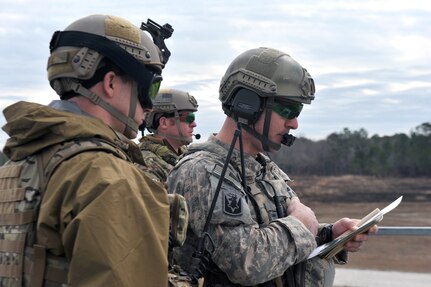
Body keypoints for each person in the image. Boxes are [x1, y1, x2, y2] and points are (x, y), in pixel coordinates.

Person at [166, 47, 378, 286]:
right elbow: (245, 263)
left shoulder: (264, 167)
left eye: (297, 112)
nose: (295, 123)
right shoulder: (201, 171)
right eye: (288, 110)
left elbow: (278, 234)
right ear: (247, 105)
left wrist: (328, 235)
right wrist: (301, 225)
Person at [0, 14, 173, 286]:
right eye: (148, 88)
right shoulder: (105, 176)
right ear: (111, 83)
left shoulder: (14, 165)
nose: (149, 106)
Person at [138, 88, 199, 182]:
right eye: (188, 118)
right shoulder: (146, 164)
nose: (194, 124)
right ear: (164, 123)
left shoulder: (186, 156)